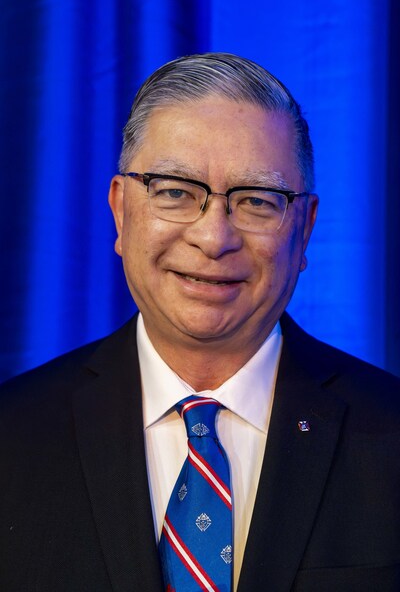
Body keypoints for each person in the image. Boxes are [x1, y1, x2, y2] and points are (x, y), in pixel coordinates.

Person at [0, 53, 399, 592]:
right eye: (175, 192)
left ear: (303, 230)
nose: (214, 238)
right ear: (121, 212)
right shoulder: (14, 434)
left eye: (257, 201)